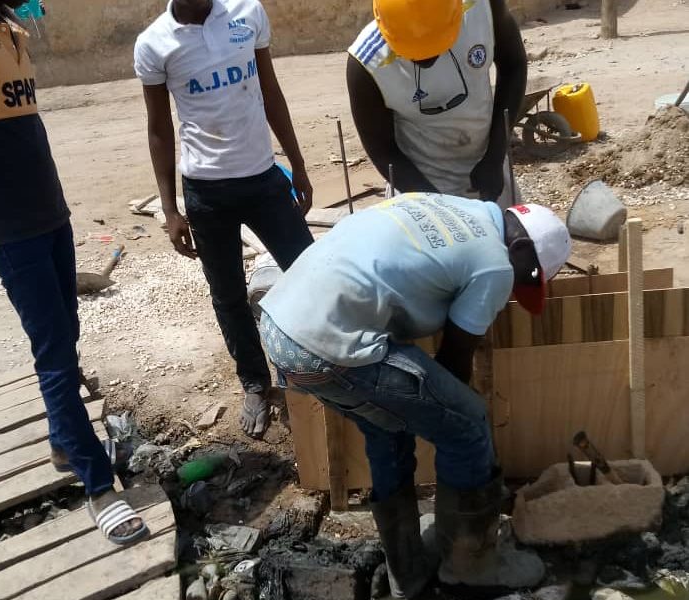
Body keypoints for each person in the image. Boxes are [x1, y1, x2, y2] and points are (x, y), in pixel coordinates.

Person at [0, 0, 146, 544]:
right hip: (10, 224)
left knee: (67, 332)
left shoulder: (10, 29)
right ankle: (97, 486)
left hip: (49, 211)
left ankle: (64, 440)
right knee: (54, 353)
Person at [258, 194, 571, 596]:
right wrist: (473, 467)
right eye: (526, 279)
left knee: (386, 427)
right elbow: (453, 365)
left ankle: (406, 573)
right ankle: (469, 566)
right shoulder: (495, 263)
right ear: (522, 251)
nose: (515, 291)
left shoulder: (439, 203)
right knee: (468, 424)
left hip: (280, 326)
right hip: (327, 344)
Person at [135, 0, 315, 438]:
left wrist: (298, 165)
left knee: (312, 273)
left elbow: (270, 92)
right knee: (228, 294)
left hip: (263, 179)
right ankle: (255, 383)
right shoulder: (154, 44)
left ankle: (319, 367)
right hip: (206, 191)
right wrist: (171, 208)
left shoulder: (247, 13)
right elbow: (159, 127)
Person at [347, 0, 527, 207]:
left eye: (434, 45)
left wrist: (495, 156)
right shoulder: (367, 65)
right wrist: (439, 210)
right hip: (417, 185)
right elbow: (384, 151)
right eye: (411, 50)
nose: (425, 59)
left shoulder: (481, 9)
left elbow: (514, 65)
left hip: (490, 169)